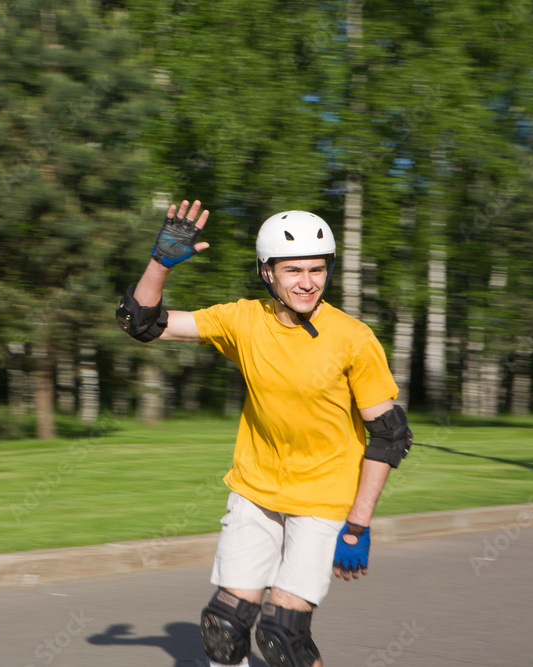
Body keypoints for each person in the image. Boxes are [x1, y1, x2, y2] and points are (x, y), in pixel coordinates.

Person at [116, 200, 412, 667]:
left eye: (317, 269)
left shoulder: (353, 338)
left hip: (322, 498)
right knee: (223, 628)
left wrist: (358, 523)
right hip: (255, 491)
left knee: (282, 636)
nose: (307, 282)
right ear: (266, 272)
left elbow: (389, 435)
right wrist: (160, 262)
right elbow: (141, 322)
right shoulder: (243, 320)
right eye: (293, 270)